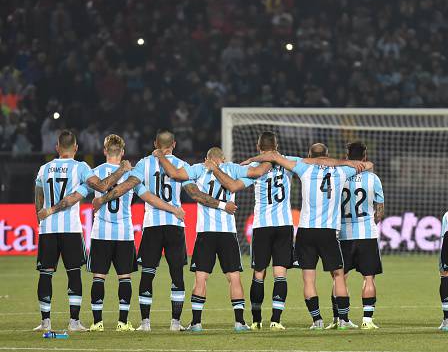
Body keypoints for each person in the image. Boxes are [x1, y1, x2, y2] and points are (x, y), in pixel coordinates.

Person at [37, 134, 185, 332]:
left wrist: (49, 211)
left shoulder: (94, 172)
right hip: (124, 233)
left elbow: (77, 195)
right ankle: (123, 322)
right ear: (123, 152)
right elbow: (147, 196)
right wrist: (173, 208)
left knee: (98, 277)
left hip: (100, 233)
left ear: (104, 151)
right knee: (125, 278)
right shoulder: (131, 174)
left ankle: (96, 323)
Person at [92, 131, 233, 332]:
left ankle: (145, 323)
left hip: (152, 226)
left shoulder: (144, 163)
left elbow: (126, 186)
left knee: (148, 274)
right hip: (175, 226)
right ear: (174, 144)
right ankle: (175, 323)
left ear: (155, 143)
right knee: (177, 275)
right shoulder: (182, 165)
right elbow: (194, 193)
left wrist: (102, 199)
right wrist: (221, 204)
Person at [243, 144, 371, 330]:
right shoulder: (342, 170)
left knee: (308, 278)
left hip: (306, 232)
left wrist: (252, 159)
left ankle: (316, 320)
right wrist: (344, 162)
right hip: (328, 232)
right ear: (327, 156)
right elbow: (368, 165)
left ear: (310, 155)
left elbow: (274, 156)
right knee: (338, 276)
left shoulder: (303, 166)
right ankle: (343, 320)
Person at [154, 146, 269, 332]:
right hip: (227, 233)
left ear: (207, 158)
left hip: (205, 233)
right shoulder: (232, 168)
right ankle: (239, 322)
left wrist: (161, 156)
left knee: (201, 278)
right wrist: (264, 156)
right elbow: (259, 171)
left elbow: (174, 173)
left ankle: (197, 323)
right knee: (234, 278)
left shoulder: (199, 169)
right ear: (222, 158)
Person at [33, 130, 130, 332]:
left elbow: (38, 196)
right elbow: (103, 186)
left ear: (57, 148)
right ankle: (74, 322)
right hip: (70, 228)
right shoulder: (80, 167)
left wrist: (42, 215)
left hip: (48, 228)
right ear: (76, 148)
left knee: (45, 273)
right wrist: (121, 170)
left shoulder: (44, 168)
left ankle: (45, 322)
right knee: (73, 273)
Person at [203, 132, 297, 330]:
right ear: (277, 145)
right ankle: (276, 321)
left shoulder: (253, 169)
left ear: (258, 147)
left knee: (259, 273)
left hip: (262, 226)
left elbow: (232, 186)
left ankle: (256, 321)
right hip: (284, 225)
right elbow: (310, 163)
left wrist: (216, 170)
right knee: (280, 273)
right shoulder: (289, 162)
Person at [326, 142, 384, 330]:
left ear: (347, 155)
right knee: (369, 278)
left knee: (339, 277)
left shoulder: (338, 176)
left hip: (342, 234)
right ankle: (367, 320)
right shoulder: (373, 178)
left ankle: (340, 319)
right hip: (366, 233)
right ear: (365, 156)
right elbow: (379, 211)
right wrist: (371, 222)